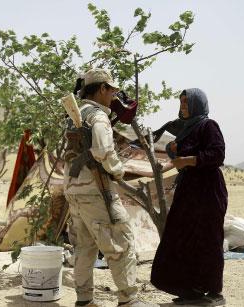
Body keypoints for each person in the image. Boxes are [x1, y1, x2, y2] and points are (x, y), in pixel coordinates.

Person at [63, 68, 145, 307]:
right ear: (102, 89)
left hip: (75, 191)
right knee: (121, 242)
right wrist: (118, 169)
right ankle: (128, 299)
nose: (114, 96)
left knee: (84, 248)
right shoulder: (98, 117)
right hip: (97, 192)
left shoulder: (75, 115)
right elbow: (102, 152)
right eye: (112, 90)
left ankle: (84, 300)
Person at [150, 88, 228, 306]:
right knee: (182, 239)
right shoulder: (184, 129)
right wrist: (174, 152)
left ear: (197, 104)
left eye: (187, 103)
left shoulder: (208, 125)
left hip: (208, 191)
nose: (183, 106)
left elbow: (217, 154)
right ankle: (191, 291)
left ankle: (214, 293)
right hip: (189, 191)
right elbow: (178, 158)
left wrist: (187, 160)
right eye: (181, 102)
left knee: (208, 240)